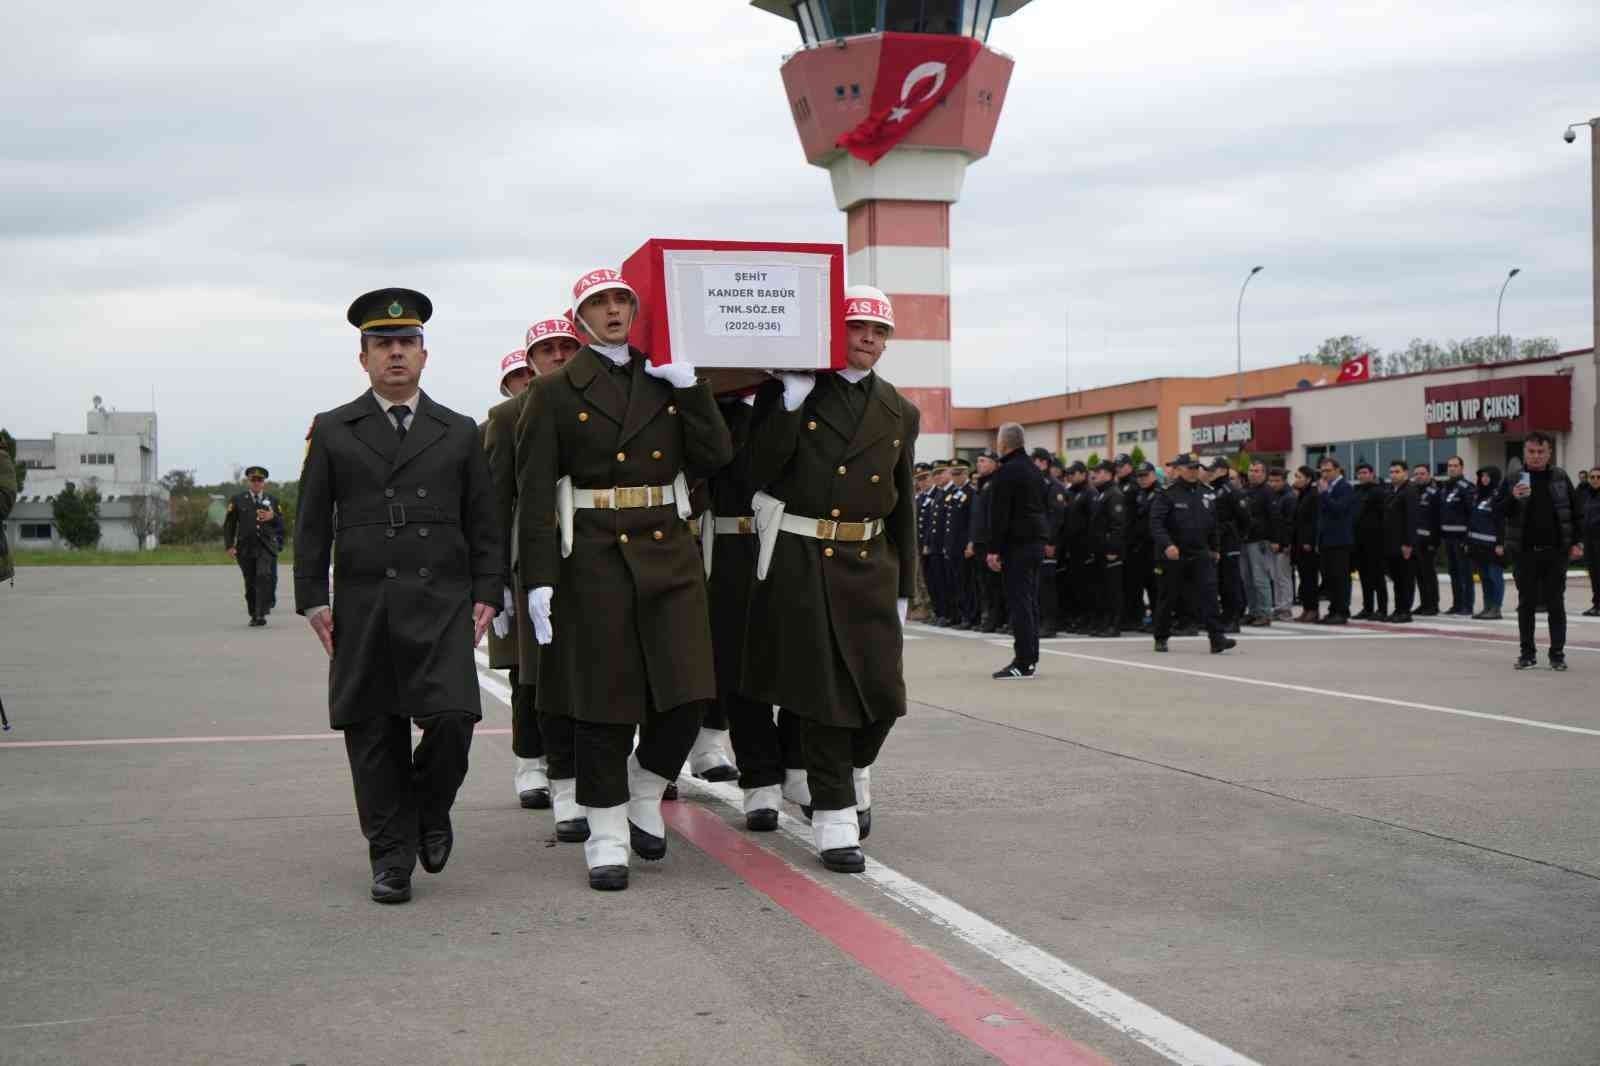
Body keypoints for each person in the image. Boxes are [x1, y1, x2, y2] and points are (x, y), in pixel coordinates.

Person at [517, 267, 732, 891]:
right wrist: (538, 577)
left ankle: (646, 783)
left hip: (669, 548)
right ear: (580, 316)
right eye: (600, 303)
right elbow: (534, 493)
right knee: (604, 704)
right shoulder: (554, 392)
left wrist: (691, 389)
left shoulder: (664, 378)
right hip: (594, 555)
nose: (613, 311)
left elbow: (716, 457)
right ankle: (607, 832)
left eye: (622, 301)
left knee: (690, 692)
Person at [295, 287, 502, 905]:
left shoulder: (459, 431)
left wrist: (488, 591)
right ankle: (390, 856)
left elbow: (483, 523)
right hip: (364, 602)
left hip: (441, 600)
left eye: (405, 343)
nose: (394, 354)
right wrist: (312, 598)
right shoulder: (333, 430)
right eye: (381, 344)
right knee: (374, 729)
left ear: (424, 355)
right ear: (363, 359)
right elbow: (309, 524)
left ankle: (430, 808)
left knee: (454, 717)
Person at [744, 284, 919, 873]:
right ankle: (834, 819)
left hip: (869, 562)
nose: (869, 339)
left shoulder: (900, 408)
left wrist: (905, 587)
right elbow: (756, 471)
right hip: (802, 554)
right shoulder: (791, 390)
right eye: (857, 328)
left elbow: (903, 505)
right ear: (832, 331)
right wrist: (790, 406)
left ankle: (847, 772)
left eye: (880, 332)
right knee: (823, 699)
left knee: (884, 699)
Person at [483, 317, 583, 815]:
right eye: (547, 350)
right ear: (529, 360)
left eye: (568, 346)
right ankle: (532, 762)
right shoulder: (507, 418)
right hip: (530, 556)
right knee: (531, 671)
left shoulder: (597, 404)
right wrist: (495, 579)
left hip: (591, 554)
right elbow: (498, 503)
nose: (559, 357)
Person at [1504, 431, 1583, 670]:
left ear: (1549, 453)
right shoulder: (1514, 478)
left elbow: (1575, 511)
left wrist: (1577, 543)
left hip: (1555, 553)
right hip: (1525, 552)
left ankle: (1557, 654)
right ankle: (1527, 653)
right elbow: (1499, 512)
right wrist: (1511, 497)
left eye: (1541, 452)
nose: (1536, 456)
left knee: (1555, 603)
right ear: (1525, 452)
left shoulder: (1559, 477)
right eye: (1531, 452)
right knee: (1526, 604)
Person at [1150, 454, 1233, 654]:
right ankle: (1161, 637)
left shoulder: (1207, 493)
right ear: (1178, 470)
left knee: (1210, 595)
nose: (1194, 471)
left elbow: (1213, 524)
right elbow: (1156, 523)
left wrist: (1215, 548)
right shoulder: (1167, 493)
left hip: (1200, 552)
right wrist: (1167, 545)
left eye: (1196, 467)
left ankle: (1217, 638)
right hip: (1174, 554)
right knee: (1168, 597)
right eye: (1189, 467)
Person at [987, 423, 1049, 677]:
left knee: (1019, 603)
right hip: (1035, 543)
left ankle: (1023, 661)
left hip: (1017, 546)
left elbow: (1000, 516)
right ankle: (1030, 656)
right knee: (1029, 602)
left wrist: (993, 550)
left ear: (1004, 443)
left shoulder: (1007, 472)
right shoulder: (1034, 470)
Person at [223, 466, 286, 627]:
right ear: (248, 482)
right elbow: (229, 524)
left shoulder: (272, 500)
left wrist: (274, 517)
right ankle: (254, 612)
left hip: (266, 546)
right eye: (254, 480)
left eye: (260, 480)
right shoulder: (238, 500)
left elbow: (281, 525)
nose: (257, 483)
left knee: (264, 576)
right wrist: (229, 545)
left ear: (264, 483)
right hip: (246, 547)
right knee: (250, 582)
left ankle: (261, 613)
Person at [1084, 459, 1127, 637]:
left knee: (1113, 590)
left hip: (1110, 551)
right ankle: (1104, 623)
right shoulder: (1102, 493)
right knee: (1102, 588)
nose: (1095, 475)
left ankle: (1114, 625)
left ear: (1109, 474)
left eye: (1099, 471)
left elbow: (1118, 525)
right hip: (1100, 549)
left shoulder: (1114, 494)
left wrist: (1113, 550)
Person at [1206, 460, 1248, 631]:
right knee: (1221, 581)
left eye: (1213, 470)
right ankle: (1226, 615)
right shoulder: (1214, 490)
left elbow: (1244, 517)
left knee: (1231, 580)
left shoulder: (1231, 491)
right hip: (1218, 541)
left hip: (1229, 541)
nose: (1210, 473)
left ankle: (1234, 617)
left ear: (1223, 471)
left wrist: (1237, 536)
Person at [1314, 457, 1355, 624]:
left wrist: (1324, 494)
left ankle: (1342, 611)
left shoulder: (1345, 487)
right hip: (1326, 540)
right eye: (1322, 471)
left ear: (1338, 470)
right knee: (1329, 578)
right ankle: (1333, 610)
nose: (1324, 474)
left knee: (1340, 577)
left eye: (1328, 470)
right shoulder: (1326, 488)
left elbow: (1338, 509)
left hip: (1340, 540)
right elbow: (1321, 516)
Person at [1033, 447, 1065, 638]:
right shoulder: (1037, 484)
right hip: (1036, 541)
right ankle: (1040, 621)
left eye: (1034, 461)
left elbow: (1056, 516)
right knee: (1037, 585)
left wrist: (1050, 541)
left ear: (1044, 463)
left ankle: (1049, 623)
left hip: (1048, 543)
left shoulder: (1053, 486)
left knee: (1047, 586)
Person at [1467, 465, 1506, 620]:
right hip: (1478, 545)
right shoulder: (1478, 495)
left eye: (1487, 476)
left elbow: (1502, 522)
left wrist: (1500, 543)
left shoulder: (1498, 495)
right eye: (1482, 476)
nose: (1484, 479)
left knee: (1494, 576)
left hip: (1493, 545)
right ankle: (1487, 606)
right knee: (1484, 576)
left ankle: (1496, 608)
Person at [1439, 456, 1476, 616]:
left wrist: (1468, 538)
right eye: (1449, 466)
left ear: (1462, 468)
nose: (1452, 468)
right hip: (1448, 537)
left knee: (1465, 573)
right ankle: (1457, 603)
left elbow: (1471, 514)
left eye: (1455, 466)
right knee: (1453, 572)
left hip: (1462, 537)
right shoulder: (1446, 487)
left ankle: (1467, 605)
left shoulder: (1466, 487)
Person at [1382, 461, 1418, 623]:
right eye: (1391, 472)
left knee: (1406, 579)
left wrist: (1408, 544)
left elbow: (1412, 518)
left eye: (1397, 471)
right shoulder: (1391, 490)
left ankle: (1405, 611)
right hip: (1391, 542)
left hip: (1404, 543)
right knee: (1397, 579)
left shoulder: (1410, 491)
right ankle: (1398, 609)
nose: (1393, 474)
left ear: (1405, 473)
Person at [1351, 463, 1388, 621]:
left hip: (1376, 542)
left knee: (1377, 577)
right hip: (1359, 542)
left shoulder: (1379, 492)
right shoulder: (1356, 491)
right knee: (1364, 577)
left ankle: (1382, 609)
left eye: (1365, 472)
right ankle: (1367, 608)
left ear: (1372, 474)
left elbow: (1384, 517)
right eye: (1359, 473)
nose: (1362, 475)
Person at [970, 452, 1002, 631]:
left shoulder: (996, 483)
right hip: (980, 540)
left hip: (991, 541)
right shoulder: (982, 484)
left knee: (994, 583)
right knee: (984, 583)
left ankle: (995, 619)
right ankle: (988, 617)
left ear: (995, 464)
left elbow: (994, 516)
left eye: (983, 461)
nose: (979, 464)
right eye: (978, 460)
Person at [1241, 460, 1275, 624]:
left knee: (1260, 579)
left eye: (1256, 471)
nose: (1252, 473)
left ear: (1263, 474)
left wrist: (1273, 539)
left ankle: (1265, 613)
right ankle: (1253, 611)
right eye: (1251, 470)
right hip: (1245, 540)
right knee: (1247, 579)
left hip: (1259, 541)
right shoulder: (1246, 490)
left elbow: (1274, 517)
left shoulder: (1267, 492)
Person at [1125, 462, 1158, 631]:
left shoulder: (1159, 493)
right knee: (1145, 583)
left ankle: (1158, 620)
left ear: (1153, 474)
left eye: (1145, 476)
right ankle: (1150, 618)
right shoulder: (1141, 494)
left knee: (1155, 585)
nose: (1142, 479)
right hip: (1142, 547)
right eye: (1139, 476)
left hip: (1155, 547)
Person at [1411, 464, 1442, 616]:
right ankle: (1424, 604)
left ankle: (1433, 605)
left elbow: (1437, 519)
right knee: (1419, 575)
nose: (1419, 476)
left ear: (1429, 474)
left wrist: (1434, 542)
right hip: (1416, 541)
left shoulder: (1435, 492)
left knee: (1429, 574)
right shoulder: (1413, 491)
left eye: (1422, 473)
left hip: (1429, 541)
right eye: (1416, 474)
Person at [1291, 465, 1321, 621]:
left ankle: (1313, 609)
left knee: (1310, 577)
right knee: (1304, 577)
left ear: (1308, 479)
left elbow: (1313, 520)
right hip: (1299, 542)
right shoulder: (1303, 494)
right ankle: (1306, 608)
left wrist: (1309, 540)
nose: (1296, 480)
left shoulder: (1313, 495)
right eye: (1296, 476)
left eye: (1299, 477)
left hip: (1307, 543)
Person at [1267, 467, 1297, 620]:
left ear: (1284, 481)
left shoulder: (1289, 497)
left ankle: (1286, 608)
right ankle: (1278, 607)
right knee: (1275, 577)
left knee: (1283, 577)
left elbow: (1289, 524)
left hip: (1282, 545)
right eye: (1271, 481)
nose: (1273, 484)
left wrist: (1284, 543)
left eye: (1277, 481)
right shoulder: (1273, 496)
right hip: (1272, 543)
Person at [1584, 469, 1600, 617]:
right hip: (1589, 540)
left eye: (1598, 477)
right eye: (1592, 477)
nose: (1595, 479)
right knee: (1593, 572)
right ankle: (1596, 604)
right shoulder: (1588, 495)